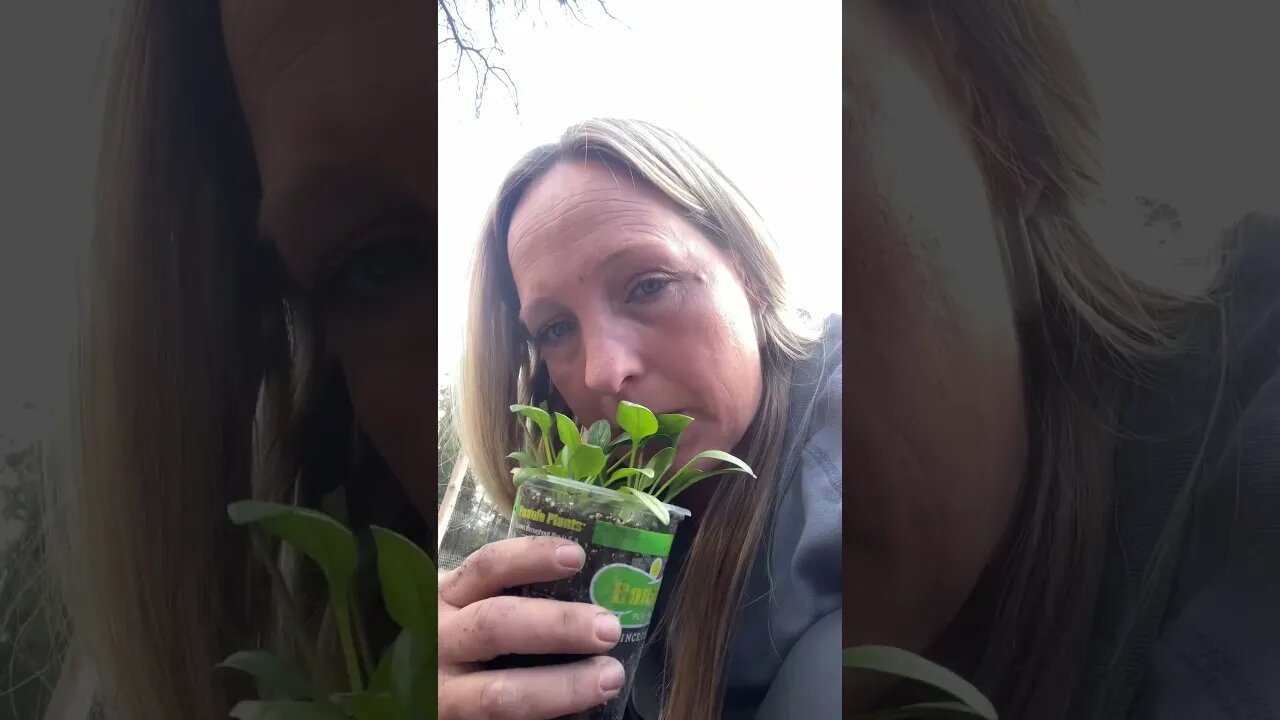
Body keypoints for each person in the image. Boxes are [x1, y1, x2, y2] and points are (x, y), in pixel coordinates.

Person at [51, 0, 1280, 719]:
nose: (604, 371)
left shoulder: (1229, 429)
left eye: (648, 284)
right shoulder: (570, 567)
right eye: (550, 330)